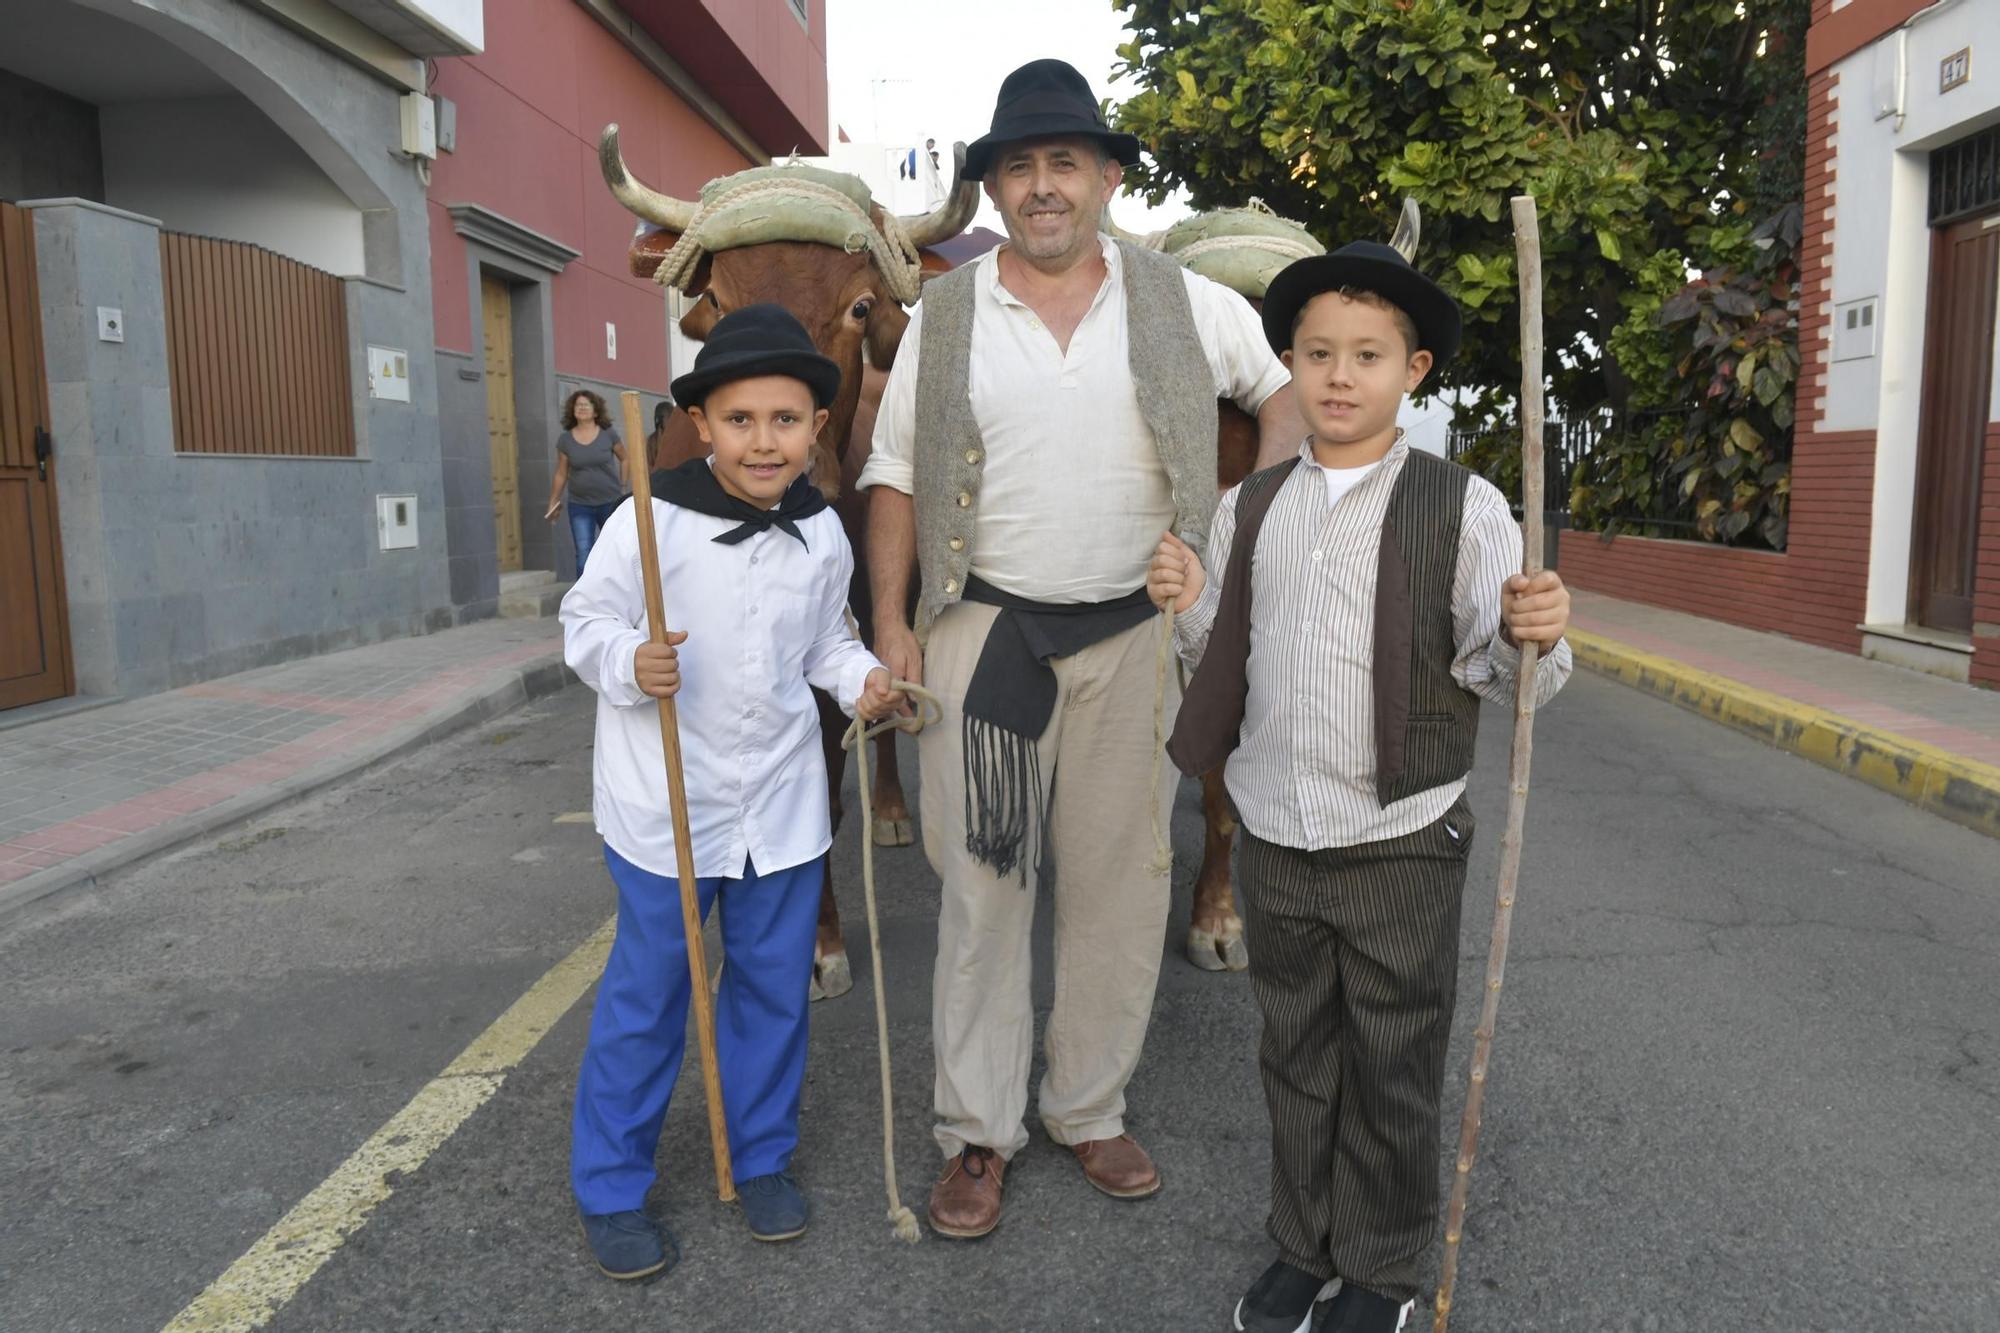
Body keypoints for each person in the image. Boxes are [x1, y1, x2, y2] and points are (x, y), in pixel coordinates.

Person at [858, 57, 1305, 1240]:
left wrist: (1225, 532)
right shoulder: (946, 315)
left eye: (1064, 162)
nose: (1042, 185)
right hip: (978, 639)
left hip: (1128, 639)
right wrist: (894, 622)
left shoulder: (1180, 299)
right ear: (996, 188)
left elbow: (1281, 399)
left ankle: (1088, 1106)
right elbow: (893, 474)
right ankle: (975, 1133)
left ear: (1106, 177)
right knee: (980, 894)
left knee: (1118, 886)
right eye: (1019, 166)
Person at [1150, 237, 1574, 1332]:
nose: (1339, 377)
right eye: (1317, 353)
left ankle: (1381, 1264)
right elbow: (1223, 656)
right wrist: (1190, 597)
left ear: (1412, 371)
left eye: (1368, 356)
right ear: (1287, 363)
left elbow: (1499, 664)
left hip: (1401, 830)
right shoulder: (1249, 505)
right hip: (1277, 832)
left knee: (1390, 1056)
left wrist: (1534, 632)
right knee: (1292, 1050)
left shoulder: (1464, 504)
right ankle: (1302, 1243)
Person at [560, 304, 904, 1281]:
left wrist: (861, 678)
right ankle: (611, 1184)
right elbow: (583, 619)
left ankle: (758, 1157)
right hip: (664, 807)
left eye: (785, 420)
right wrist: (631, 660)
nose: (764, 440)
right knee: (649, 995)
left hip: (783, 810)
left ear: (816, 430)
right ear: (701, 424)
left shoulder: (820, 533)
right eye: (742, 419)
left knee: (769, 992)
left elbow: (828, 641)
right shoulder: (646, 518)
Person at [545, 389, 627, 577]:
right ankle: (585, 601)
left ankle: (615, 594)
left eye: (585, 404)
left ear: (595, 411)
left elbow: (626, 458)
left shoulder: (608, 434)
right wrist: (553, 501)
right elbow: (561, 473)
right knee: (584, 554)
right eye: (577, 405)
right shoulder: (565, 440)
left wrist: (623, 486)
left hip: (610, 502)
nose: (581, 408)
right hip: (580, 505)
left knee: (615, 551)